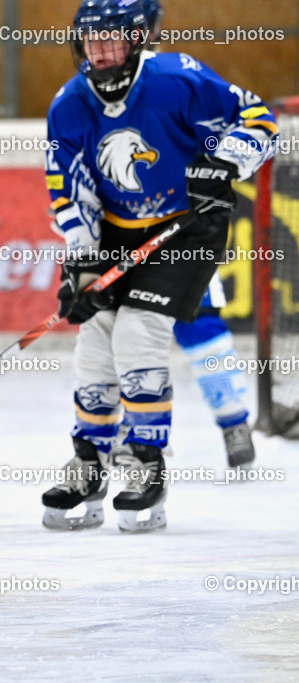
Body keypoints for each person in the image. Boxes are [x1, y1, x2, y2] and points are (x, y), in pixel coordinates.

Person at [40, 0, 277, 532]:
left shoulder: (177, 78)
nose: (100, 52)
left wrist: (224, 158)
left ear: (137, 40)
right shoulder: (69, 104)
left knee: (139, 332)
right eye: (91, 41)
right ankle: (89, 462)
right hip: (117, 233)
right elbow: (69, 187)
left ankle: (146, 464)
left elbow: (260, 119)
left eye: (112, 40)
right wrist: (80, 261)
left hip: (188, 228)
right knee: (96, 335)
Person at [141, 0, 256, 467]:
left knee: (200, 324)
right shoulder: (89, 90)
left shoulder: (174, 77)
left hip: (180, 234)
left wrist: (213, 169)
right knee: (123, 341)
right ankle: (131, 445)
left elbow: (245, 122)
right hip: (117, 234)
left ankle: (234, 422)